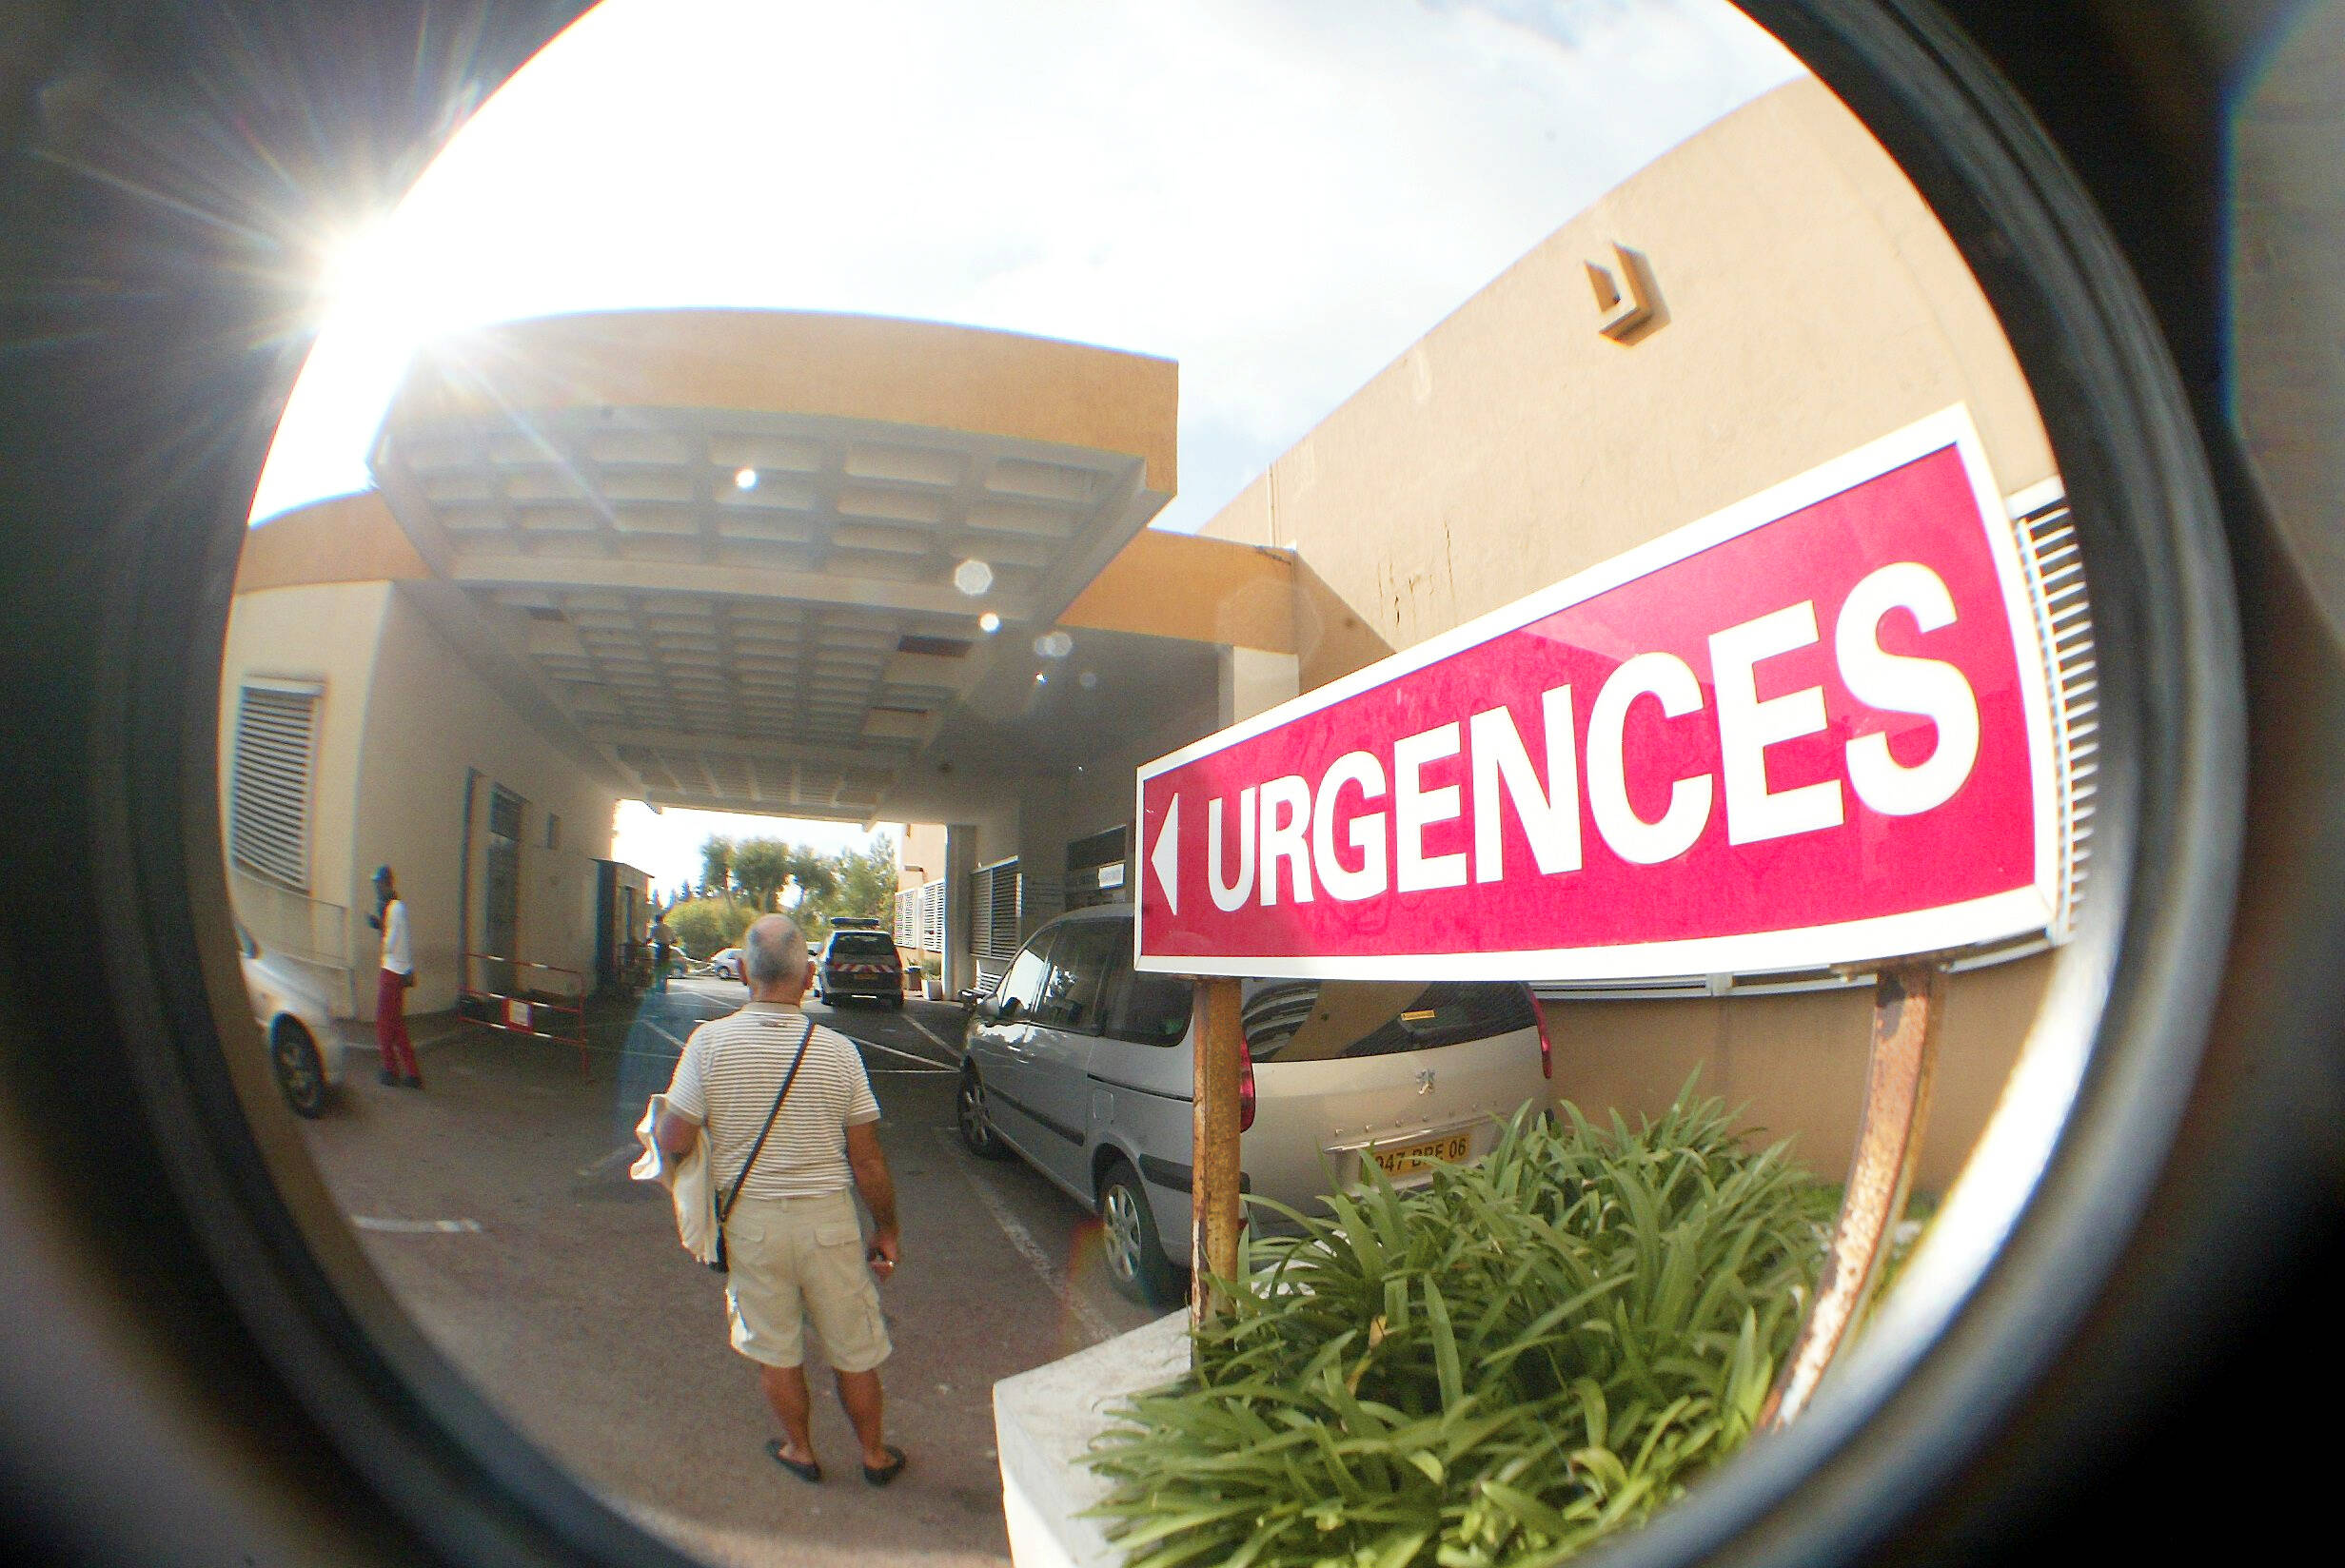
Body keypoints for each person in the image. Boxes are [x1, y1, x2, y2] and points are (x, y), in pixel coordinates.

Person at [656, 914, 905, 1486]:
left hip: (752, 1226)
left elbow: (675, 1137)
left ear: (743, 972)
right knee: (855, 1348)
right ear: (810, 974)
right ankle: (873, 1455)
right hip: (831, 1225)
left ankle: (801, 1450)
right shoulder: (839, 1052)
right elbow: (866, 1158)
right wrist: (885, 1228)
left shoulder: (709, 1043)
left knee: (776, 1348)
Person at [367, 865, 421, 1088]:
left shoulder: (393, 908)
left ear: (385, 884)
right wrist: (381, 925)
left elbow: (390, 943)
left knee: (383, 1023)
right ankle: (412, 1073)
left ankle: (390, 1069)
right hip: (398, 972)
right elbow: (398, 938)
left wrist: (381, 927)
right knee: (397, 1024)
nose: (376, 889)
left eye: (378, 884)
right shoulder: (397, 907)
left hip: (391, 971)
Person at [650, 910, 675, 994]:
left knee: (658, 967)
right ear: (662, 919)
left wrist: (644, 943)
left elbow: (650, 938)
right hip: (667, 948)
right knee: (665, 967)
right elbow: (674, 940)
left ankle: (657, 986)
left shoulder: (655, 928)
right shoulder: (668, 927)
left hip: (659, 948)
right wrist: (668, 942)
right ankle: (664, 987)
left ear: (656, 920)